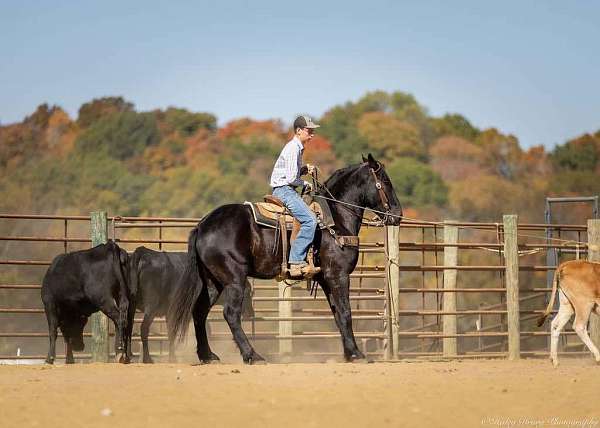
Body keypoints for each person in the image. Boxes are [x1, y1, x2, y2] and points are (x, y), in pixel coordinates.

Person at [269, 115, 321, 278]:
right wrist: (305, 183)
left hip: (284, 188)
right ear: (299, 131)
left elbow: (291, 172)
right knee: (310, 220)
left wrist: (304, 169)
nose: (312, 134)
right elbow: (291, 179)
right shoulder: (294, 148)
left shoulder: (296, 147)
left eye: (313, 131)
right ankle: (297, 261)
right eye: (309, 131)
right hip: (285, 190)